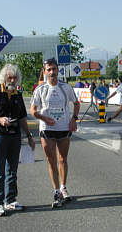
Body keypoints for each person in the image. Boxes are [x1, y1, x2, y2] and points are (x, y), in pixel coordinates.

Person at [0, 64, 35, 217]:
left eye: (15, 77)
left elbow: (23, 117)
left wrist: (29, 136)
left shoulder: (17, 94)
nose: (12, 80)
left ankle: (10, 200)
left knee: (12, 170)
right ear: (3, 78)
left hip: (14, 136)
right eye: (9, 77)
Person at [30, 58, 80, 208]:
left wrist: (74, 120)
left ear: (58, 70)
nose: (52, 72)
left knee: (63, 159)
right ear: (44, 72)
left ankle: (63, 187)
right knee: (51, 160)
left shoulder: (65, 87)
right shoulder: (40, 89)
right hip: (47, 129)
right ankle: (56, 190)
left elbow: (76, 104)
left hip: (64, 127)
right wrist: (43, 117)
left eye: (54, 69)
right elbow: (32, 111)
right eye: (49, 69)